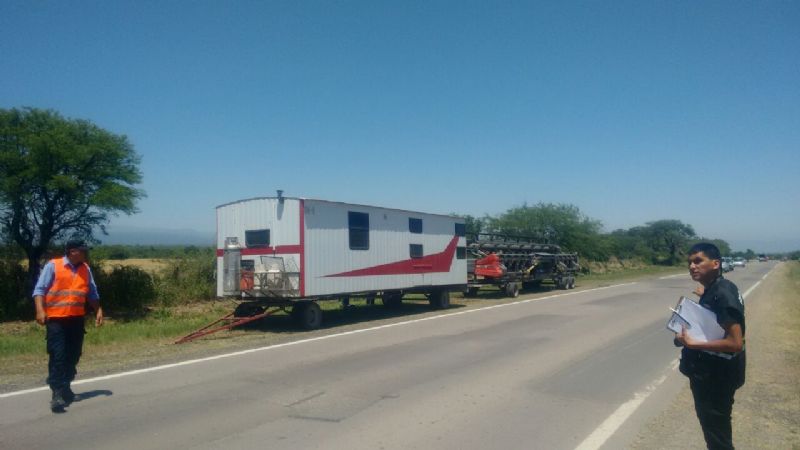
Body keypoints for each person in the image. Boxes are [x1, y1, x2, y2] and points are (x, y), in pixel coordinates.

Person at [675, 242, 746, 450]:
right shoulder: (717, 287)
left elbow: (735, 343)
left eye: (698, 261)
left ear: (715, 263)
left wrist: (694, 343)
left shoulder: (722, 294)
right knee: (716, 432)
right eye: (690, 262)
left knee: (717, 438)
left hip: (716, 378)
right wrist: (704, 294)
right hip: (715, 374)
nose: (692, 266)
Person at [33, 240, 104, 413]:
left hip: (76, 320)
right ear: (72, 251)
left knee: (73, 355)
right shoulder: (53, 266)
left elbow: (92, 293)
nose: (85, 253)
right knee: (58, 355)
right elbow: (39, 290)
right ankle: (56, 394)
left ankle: (66, 387)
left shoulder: (85, 269)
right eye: (82, 251)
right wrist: (40, 311)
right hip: (56, 320)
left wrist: (99, 310)